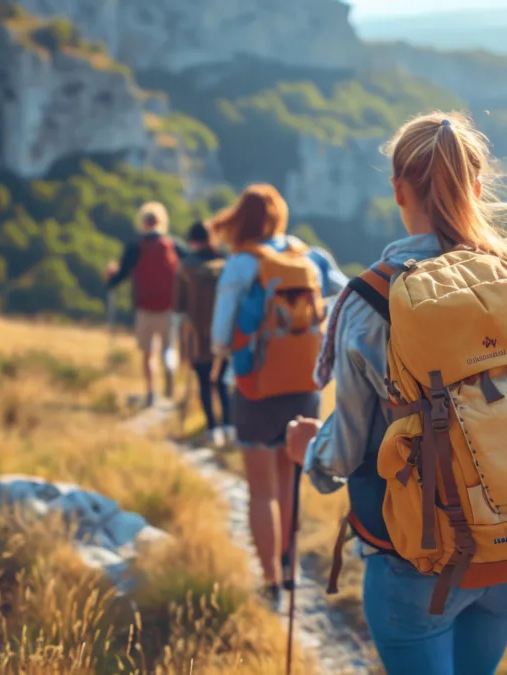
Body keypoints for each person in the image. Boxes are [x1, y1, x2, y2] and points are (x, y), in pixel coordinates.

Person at [285, 111, 507, 674]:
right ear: (478, 186)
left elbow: (344, 451)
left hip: (415, 563)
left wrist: (309, 455)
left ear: (397, 190)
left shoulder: (370, 302)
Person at [208, 184, 347, 609]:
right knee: (289, 484)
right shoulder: (313, 257)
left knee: (261, 489)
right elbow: (348, 295)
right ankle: (289, 571)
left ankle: (269, 579)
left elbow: (218, 337)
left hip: (256, 386)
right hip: (306, 384)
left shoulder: (242, 263)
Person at [105, 202, 188, 408]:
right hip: (170, 307)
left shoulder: (135, 247)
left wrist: (110, 275)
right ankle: (170, 373)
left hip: (145, 307)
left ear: (143, 222)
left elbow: (120, 276)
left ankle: (151, 392)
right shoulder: (173, 246)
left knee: (148, 352)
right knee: (169, 348)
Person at [174, 221, 234, 447]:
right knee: (222, 381)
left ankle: (212, 428)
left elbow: (178, 306)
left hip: (196, 334)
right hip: (225, 332)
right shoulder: (226, 264)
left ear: (192, 240)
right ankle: (228, 425)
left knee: (203, 380)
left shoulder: (186, 266)